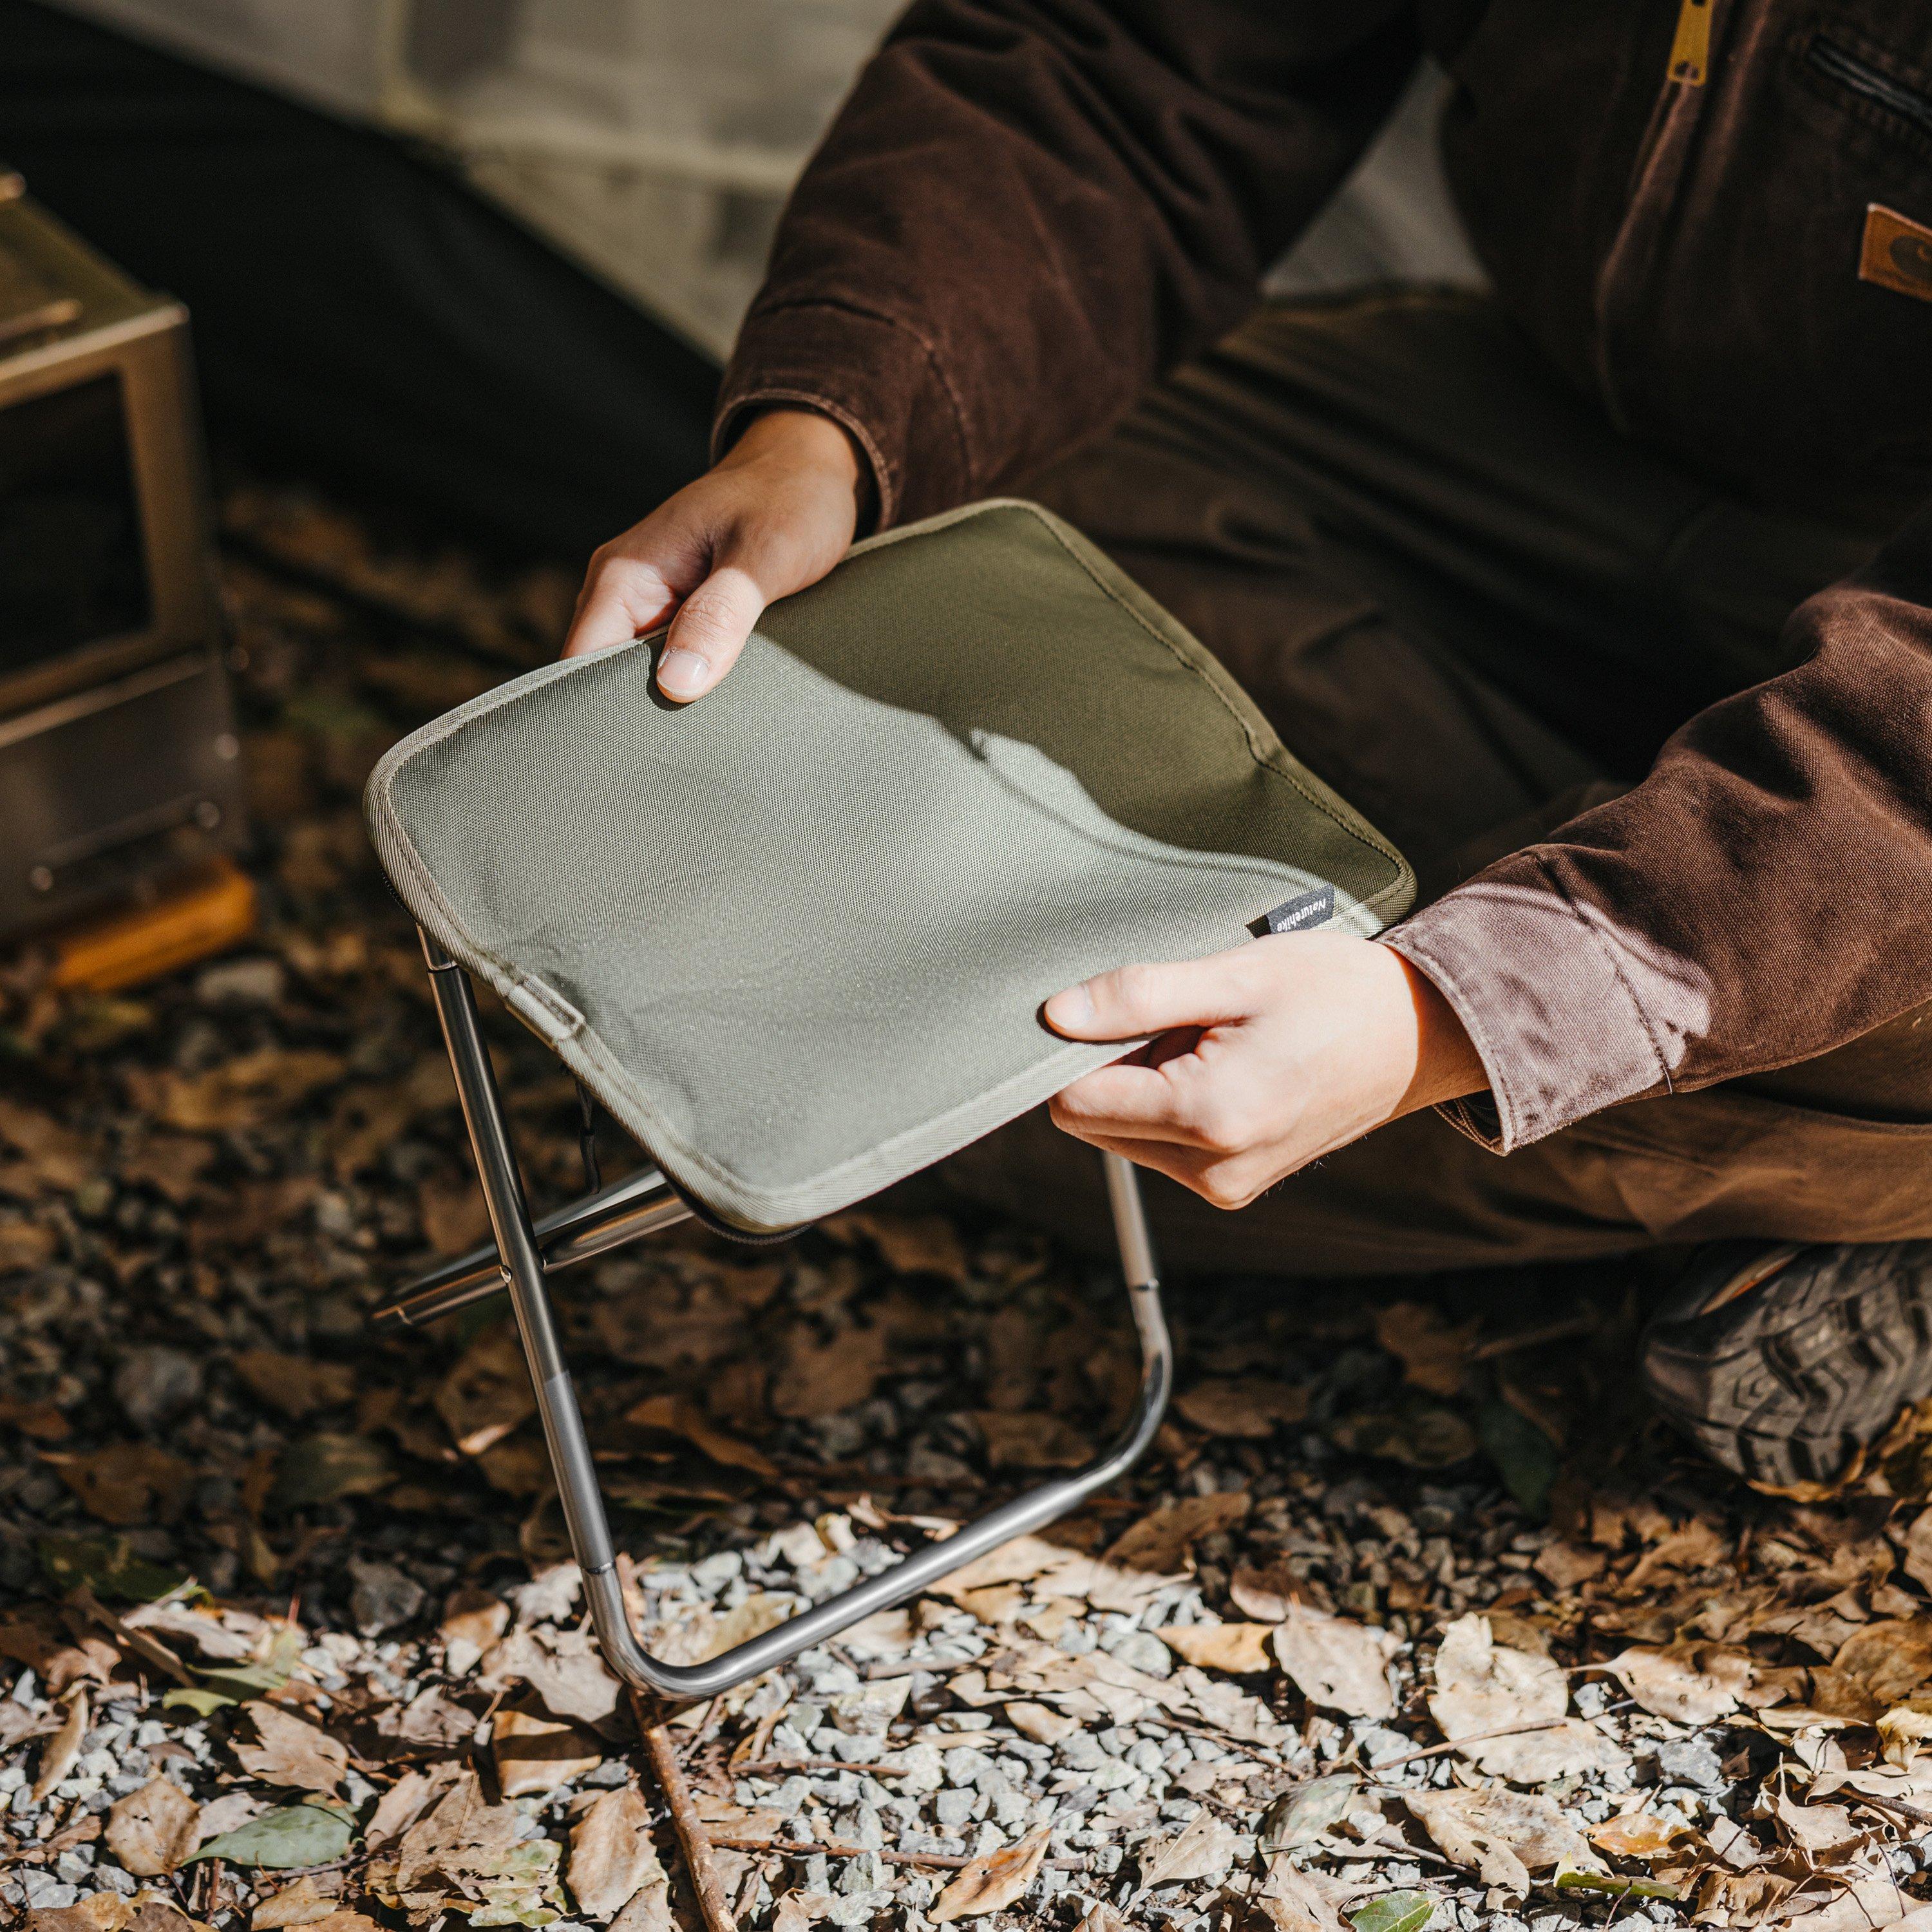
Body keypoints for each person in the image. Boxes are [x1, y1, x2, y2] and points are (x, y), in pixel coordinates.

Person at [561, 0, 1932, 1493]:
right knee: (981, 555)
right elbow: (1118, 59)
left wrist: (1453, 1013)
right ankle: (1701, 1024)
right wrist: (825, 433)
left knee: (1039, 1100)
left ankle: (1809, 1125)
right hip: (1561, 434)